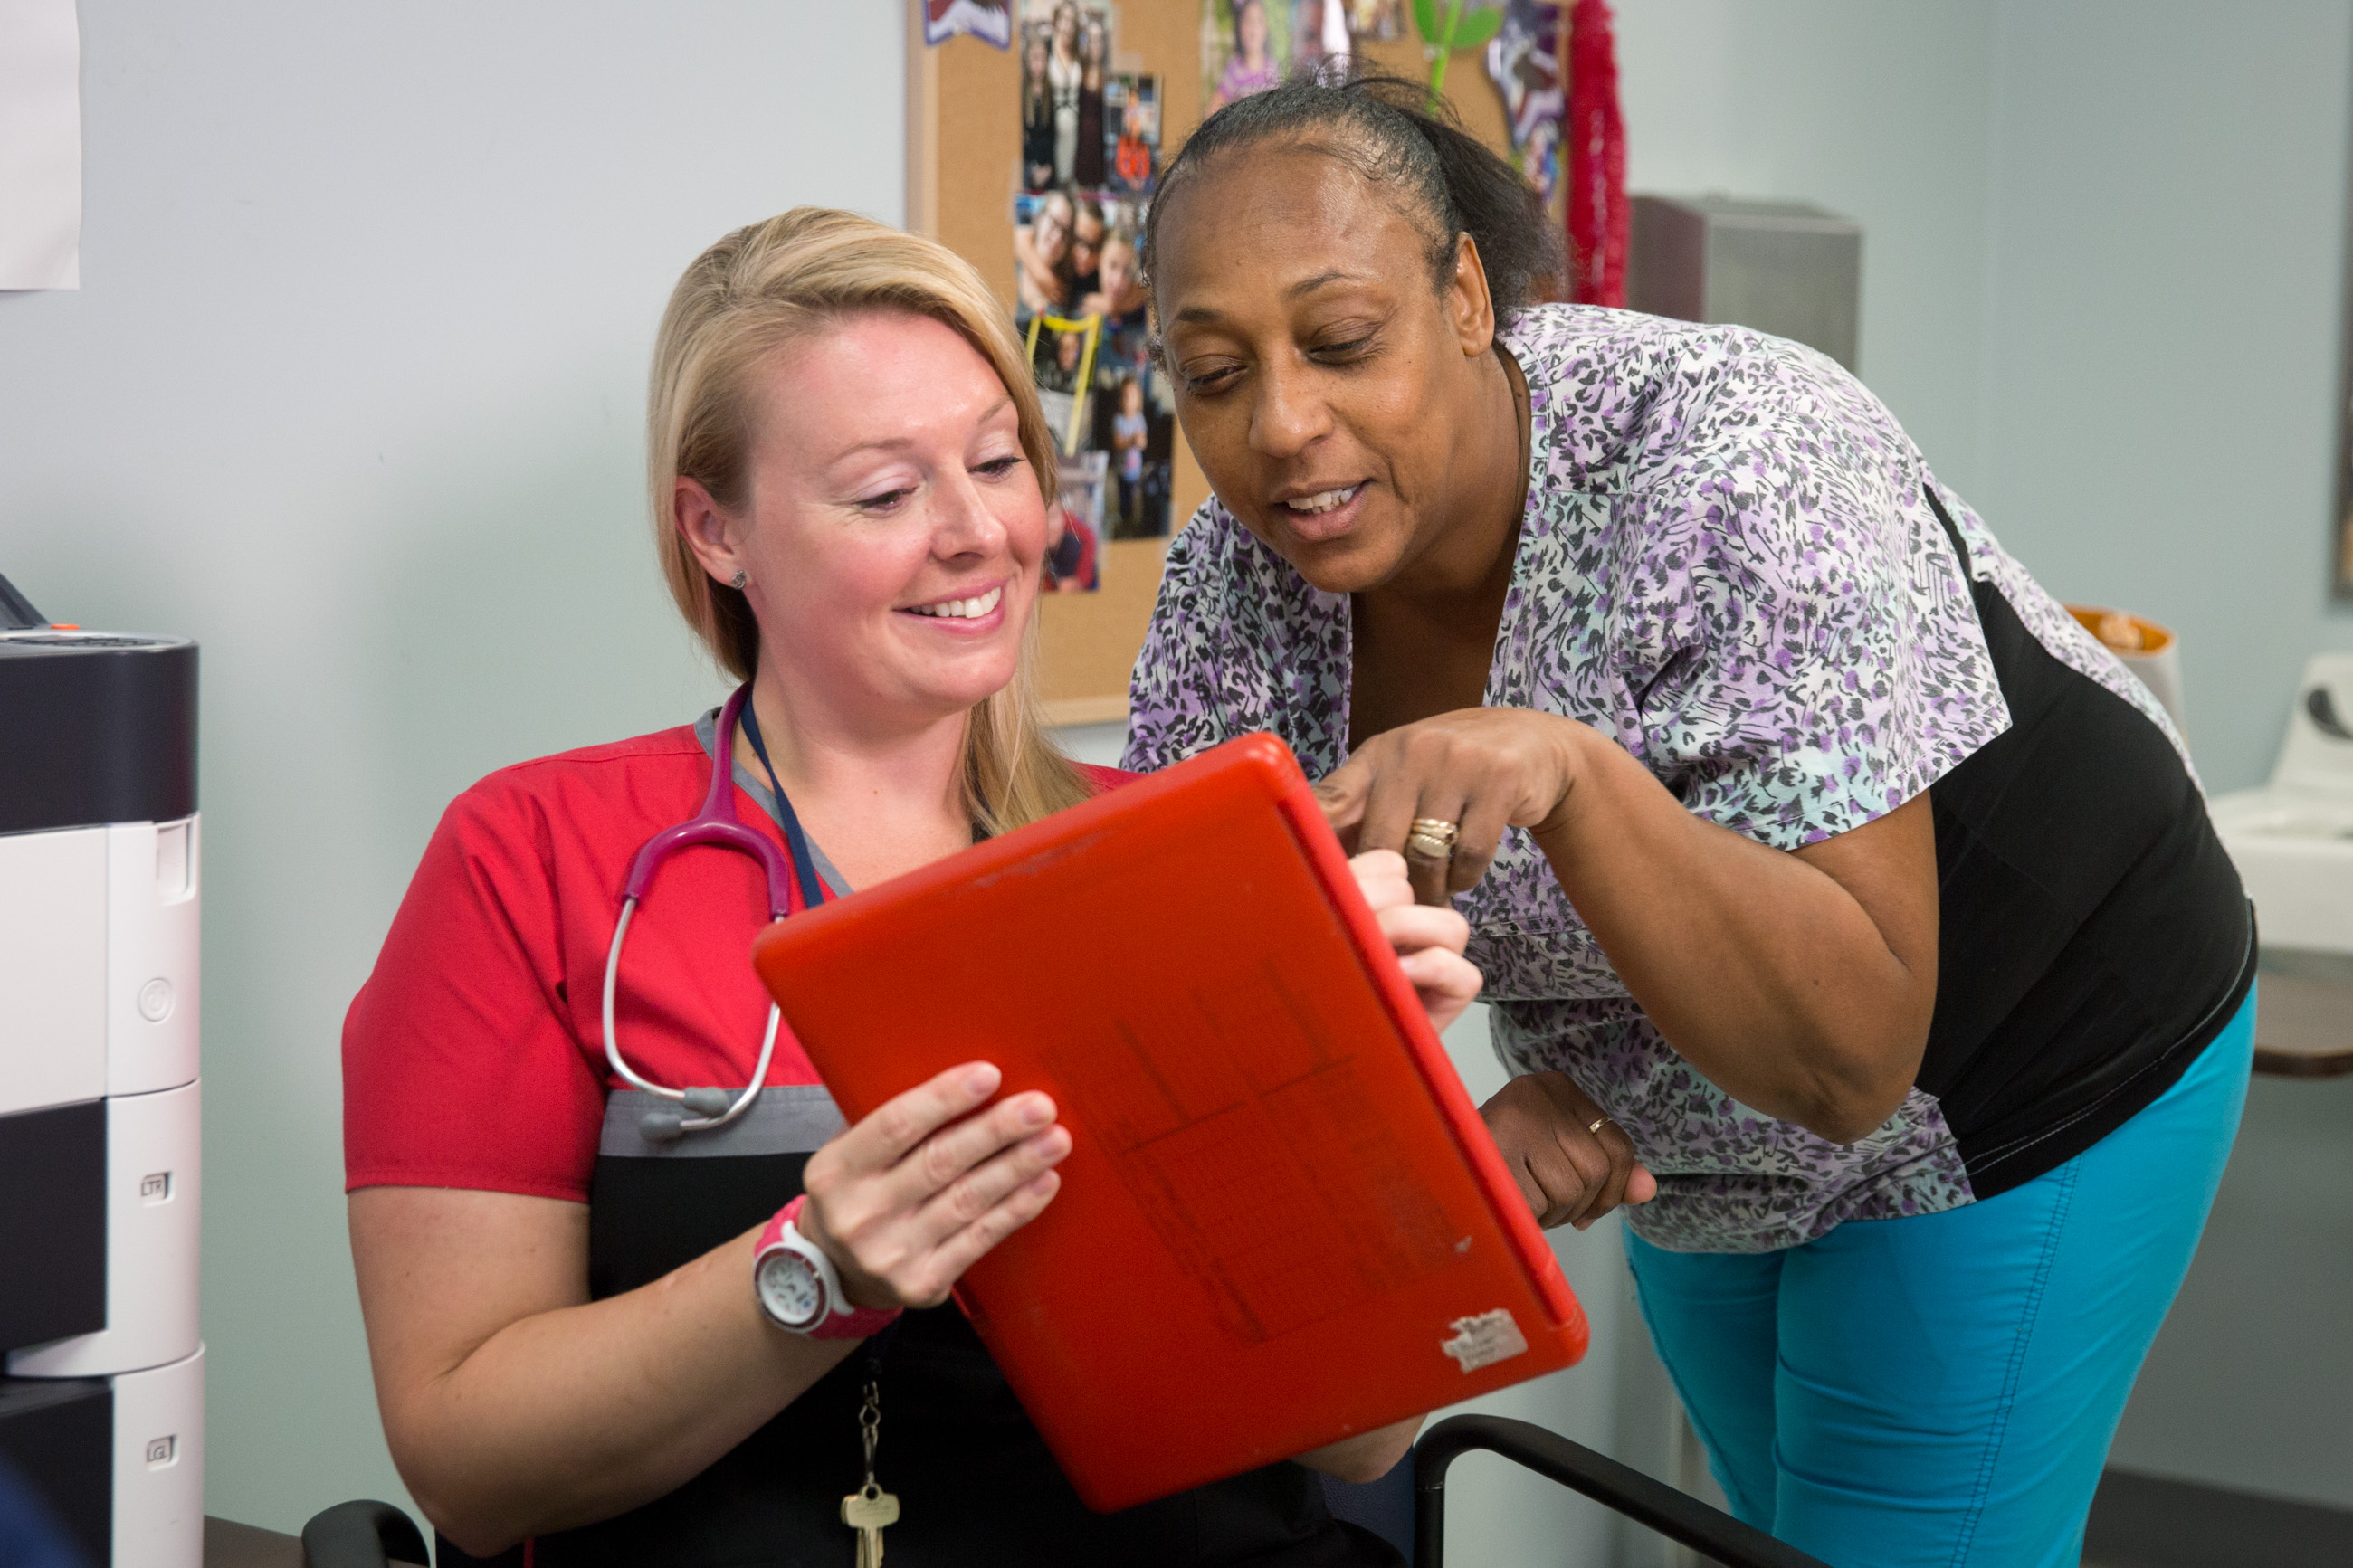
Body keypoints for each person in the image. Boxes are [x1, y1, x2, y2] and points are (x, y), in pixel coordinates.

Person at [1129, 73, 2255, 1568]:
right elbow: (1202, 1026)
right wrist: (1452, 1163)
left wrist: (1575, 772)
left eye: (1342, 344)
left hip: (2028, 1051)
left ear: (1466, 293)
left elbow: (1850, 1054)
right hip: (1672, 1115)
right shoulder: (1234, 586)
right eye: (1213, 372)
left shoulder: (1740, 454)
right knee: (1769, 1534)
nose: (1281, 423)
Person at [342, 208, 1478, 1567]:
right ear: (717, 531)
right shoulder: (535, 859)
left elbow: (1354, 1444)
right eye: (884, 493)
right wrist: (819, 1275)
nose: (978, 533)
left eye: (998, 463)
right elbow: (470, 1467)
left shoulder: (1182, 861)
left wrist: (1358, 1095)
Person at [1208, 0, 1282, 113]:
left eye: (1259, 21)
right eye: (1248, 21)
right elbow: (1212, 109)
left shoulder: (1273, 69)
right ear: (1240, 27)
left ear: (1266, 28)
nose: (1254, 29)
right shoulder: (1233, 70)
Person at [1014, 187, 1076, 318]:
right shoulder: (1011, 259)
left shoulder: (1063, 294)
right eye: (1055, 222)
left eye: (1065, 233)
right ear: (1040, 217)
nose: (1058, 237)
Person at [1045, 2, 1083, 186]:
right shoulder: (1046, 50)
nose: (1067, 26)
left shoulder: (1078, 53)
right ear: (1056, 21)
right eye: (1064, 19)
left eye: (1072, 21)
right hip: (1052, 132)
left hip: (1076, 131)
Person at [1073, 12, 1108, 189]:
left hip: (1100, 155)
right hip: (1080, 151)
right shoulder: (1078, 73)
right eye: (1092, 39)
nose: (1096, 45)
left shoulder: (1108, 78)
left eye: (1099, 39)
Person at [1020, 25, 1056, 190]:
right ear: (1026, 59)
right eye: (1035, 59)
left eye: (1043, 59)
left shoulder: (1051, 91)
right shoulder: (1020, 92)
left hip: (1048, 170)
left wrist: (1048, 168)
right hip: (1026, 170)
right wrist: (1032, 170)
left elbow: (1053, 136)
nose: (1039, 65)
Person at [1110, 377, 1148, 536]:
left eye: (1132, 396)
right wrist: (1130, 440)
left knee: (1135, 500)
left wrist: (1139, 441)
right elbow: (1117, 442)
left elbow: (1143, 443)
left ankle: (1133, 524)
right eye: (1125, 396)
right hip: (1121, 470)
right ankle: (1123, 521)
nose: (1128, 400)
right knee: (1123, 498)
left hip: (1135, 470)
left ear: (1138, 400)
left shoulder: (1140, 419)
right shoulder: (1118, 420)